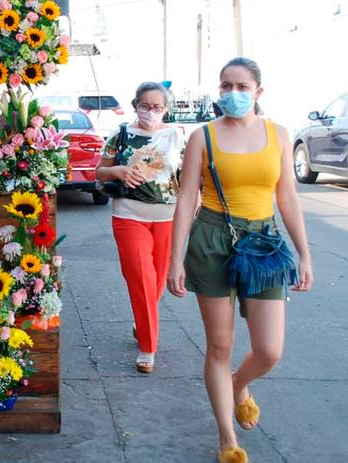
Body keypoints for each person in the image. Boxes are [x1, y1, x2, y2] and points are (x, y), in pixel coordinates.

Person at [167, 57, 313, 463]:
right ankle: (227, 438)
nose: (232, 94)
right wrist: (175, 259)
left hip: (264, 244)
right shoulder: (203, 136)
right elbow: (186, 200)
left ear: (258, 91)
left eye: (241, 86)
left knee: (269, 350)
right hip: (212, 238)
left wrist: (304, 254)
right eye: (225, 86)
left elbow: (287, 197)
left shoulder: (279, 135)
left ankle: (238, 384)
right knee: (220, 344)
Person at [96, 81, 185, 374]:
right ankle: (148, 347)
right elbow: (98, 172)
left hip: (167, 218)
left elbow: (186, 175)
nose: (151, 112)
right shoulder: (120, 136)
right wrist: (118, 171)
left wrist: (193, 202)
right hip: (128, 216)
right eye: (145, 106)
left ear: (166, 110)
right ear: (135, 105)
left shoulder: (176, 137)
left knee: (157, 282)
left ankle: (142, 323)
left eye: (157, 107)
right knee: (142, 279)